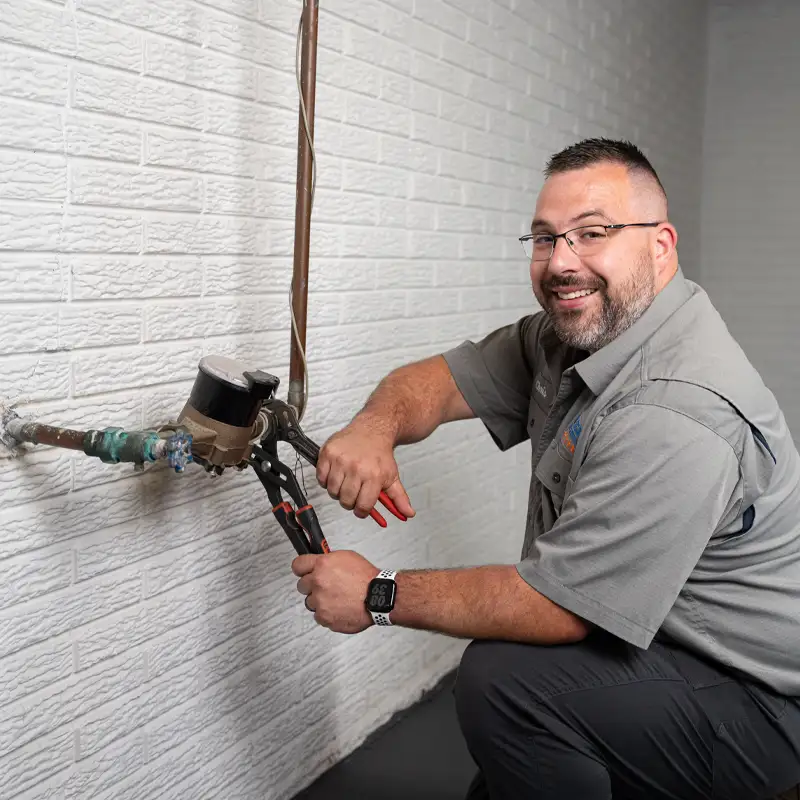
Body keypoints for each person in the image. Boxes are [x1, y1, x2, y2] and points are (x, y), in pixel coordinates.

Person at [291, 138, 800, 799]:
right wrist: (373, 427)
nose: (561, 262)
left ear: (661, 245)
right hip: (658, 644)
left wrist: (376, 595)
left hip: (758, 702)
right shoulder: (582, 329)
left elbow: (560, 607)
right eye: (544, 238)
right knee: (514, 750)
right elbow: (443, 382)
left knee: (503, 686)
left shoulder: (677, 407)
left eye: (592, 234)